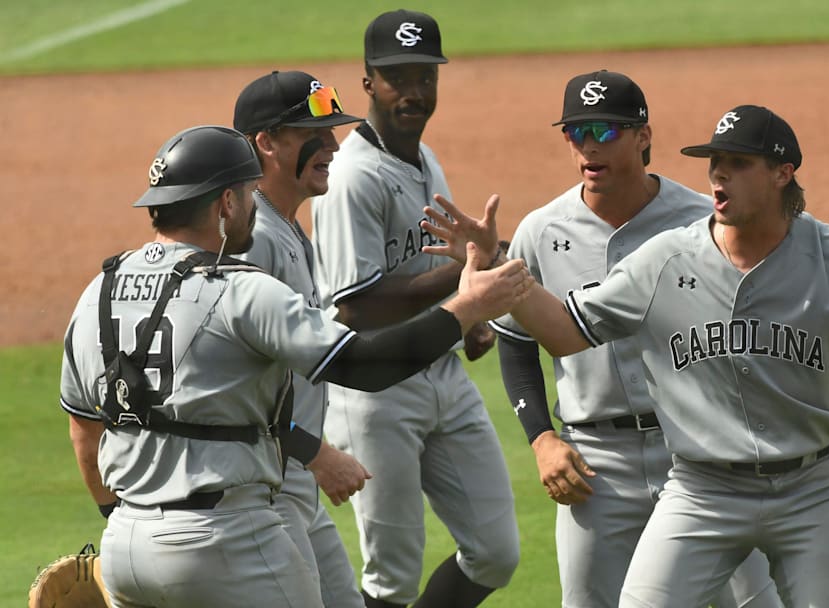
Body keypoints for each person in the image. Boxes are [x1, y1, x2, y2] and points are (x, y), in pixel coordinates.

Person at [422, 104, 829, 608]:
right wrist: (498, 264)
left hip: (814, 492)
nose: (718, 174)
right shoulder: (666, 258)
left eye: (738, 163)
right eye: (715, 162)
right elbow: (566, 331)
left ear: (783, 173)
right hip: (701, 490)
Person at [61, 124, 531, 607]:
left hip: (124, 548)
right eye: (248, 192)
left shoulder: (98, 291)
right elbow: (363, 365)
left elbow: (84, 427)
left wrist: (122, 520)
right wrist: (468, 306)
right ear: (226, 204)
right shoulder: (240, 290)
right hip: (224, 542)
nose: (253, 203)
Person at [489, 70, 780, 608]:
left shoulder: (702, 220)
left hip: (701, 453)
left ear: (643, 137)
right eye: (577, 133)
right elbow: (515, 340)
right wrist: (541, 437)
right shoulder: (541, 231)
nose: (588, 146)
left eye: (605, 131)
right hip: (596, 463)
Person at [310, 9, 518, 608]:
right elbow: (357, 307)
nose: (415, 92)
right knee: (392, 577)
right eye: (398, 77)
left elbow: (423, 275)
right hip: (375, 391)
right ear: (369, 81)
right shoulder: (353, 177)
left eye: (425, 77)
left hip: (442, 374)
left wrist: (468, 317)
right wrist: (466, 282)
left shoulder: (425, 161)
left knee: (496, 551)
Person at [232, 69, 369, 607]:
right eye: (313, 134)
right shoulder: (255, 241)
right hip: (264, 485)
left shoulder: (286, 228)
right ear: (266, 143)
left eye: (333, 131)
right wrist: (315, 452)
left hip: (293, 480)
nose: (332, 145)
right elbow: (234, 383)